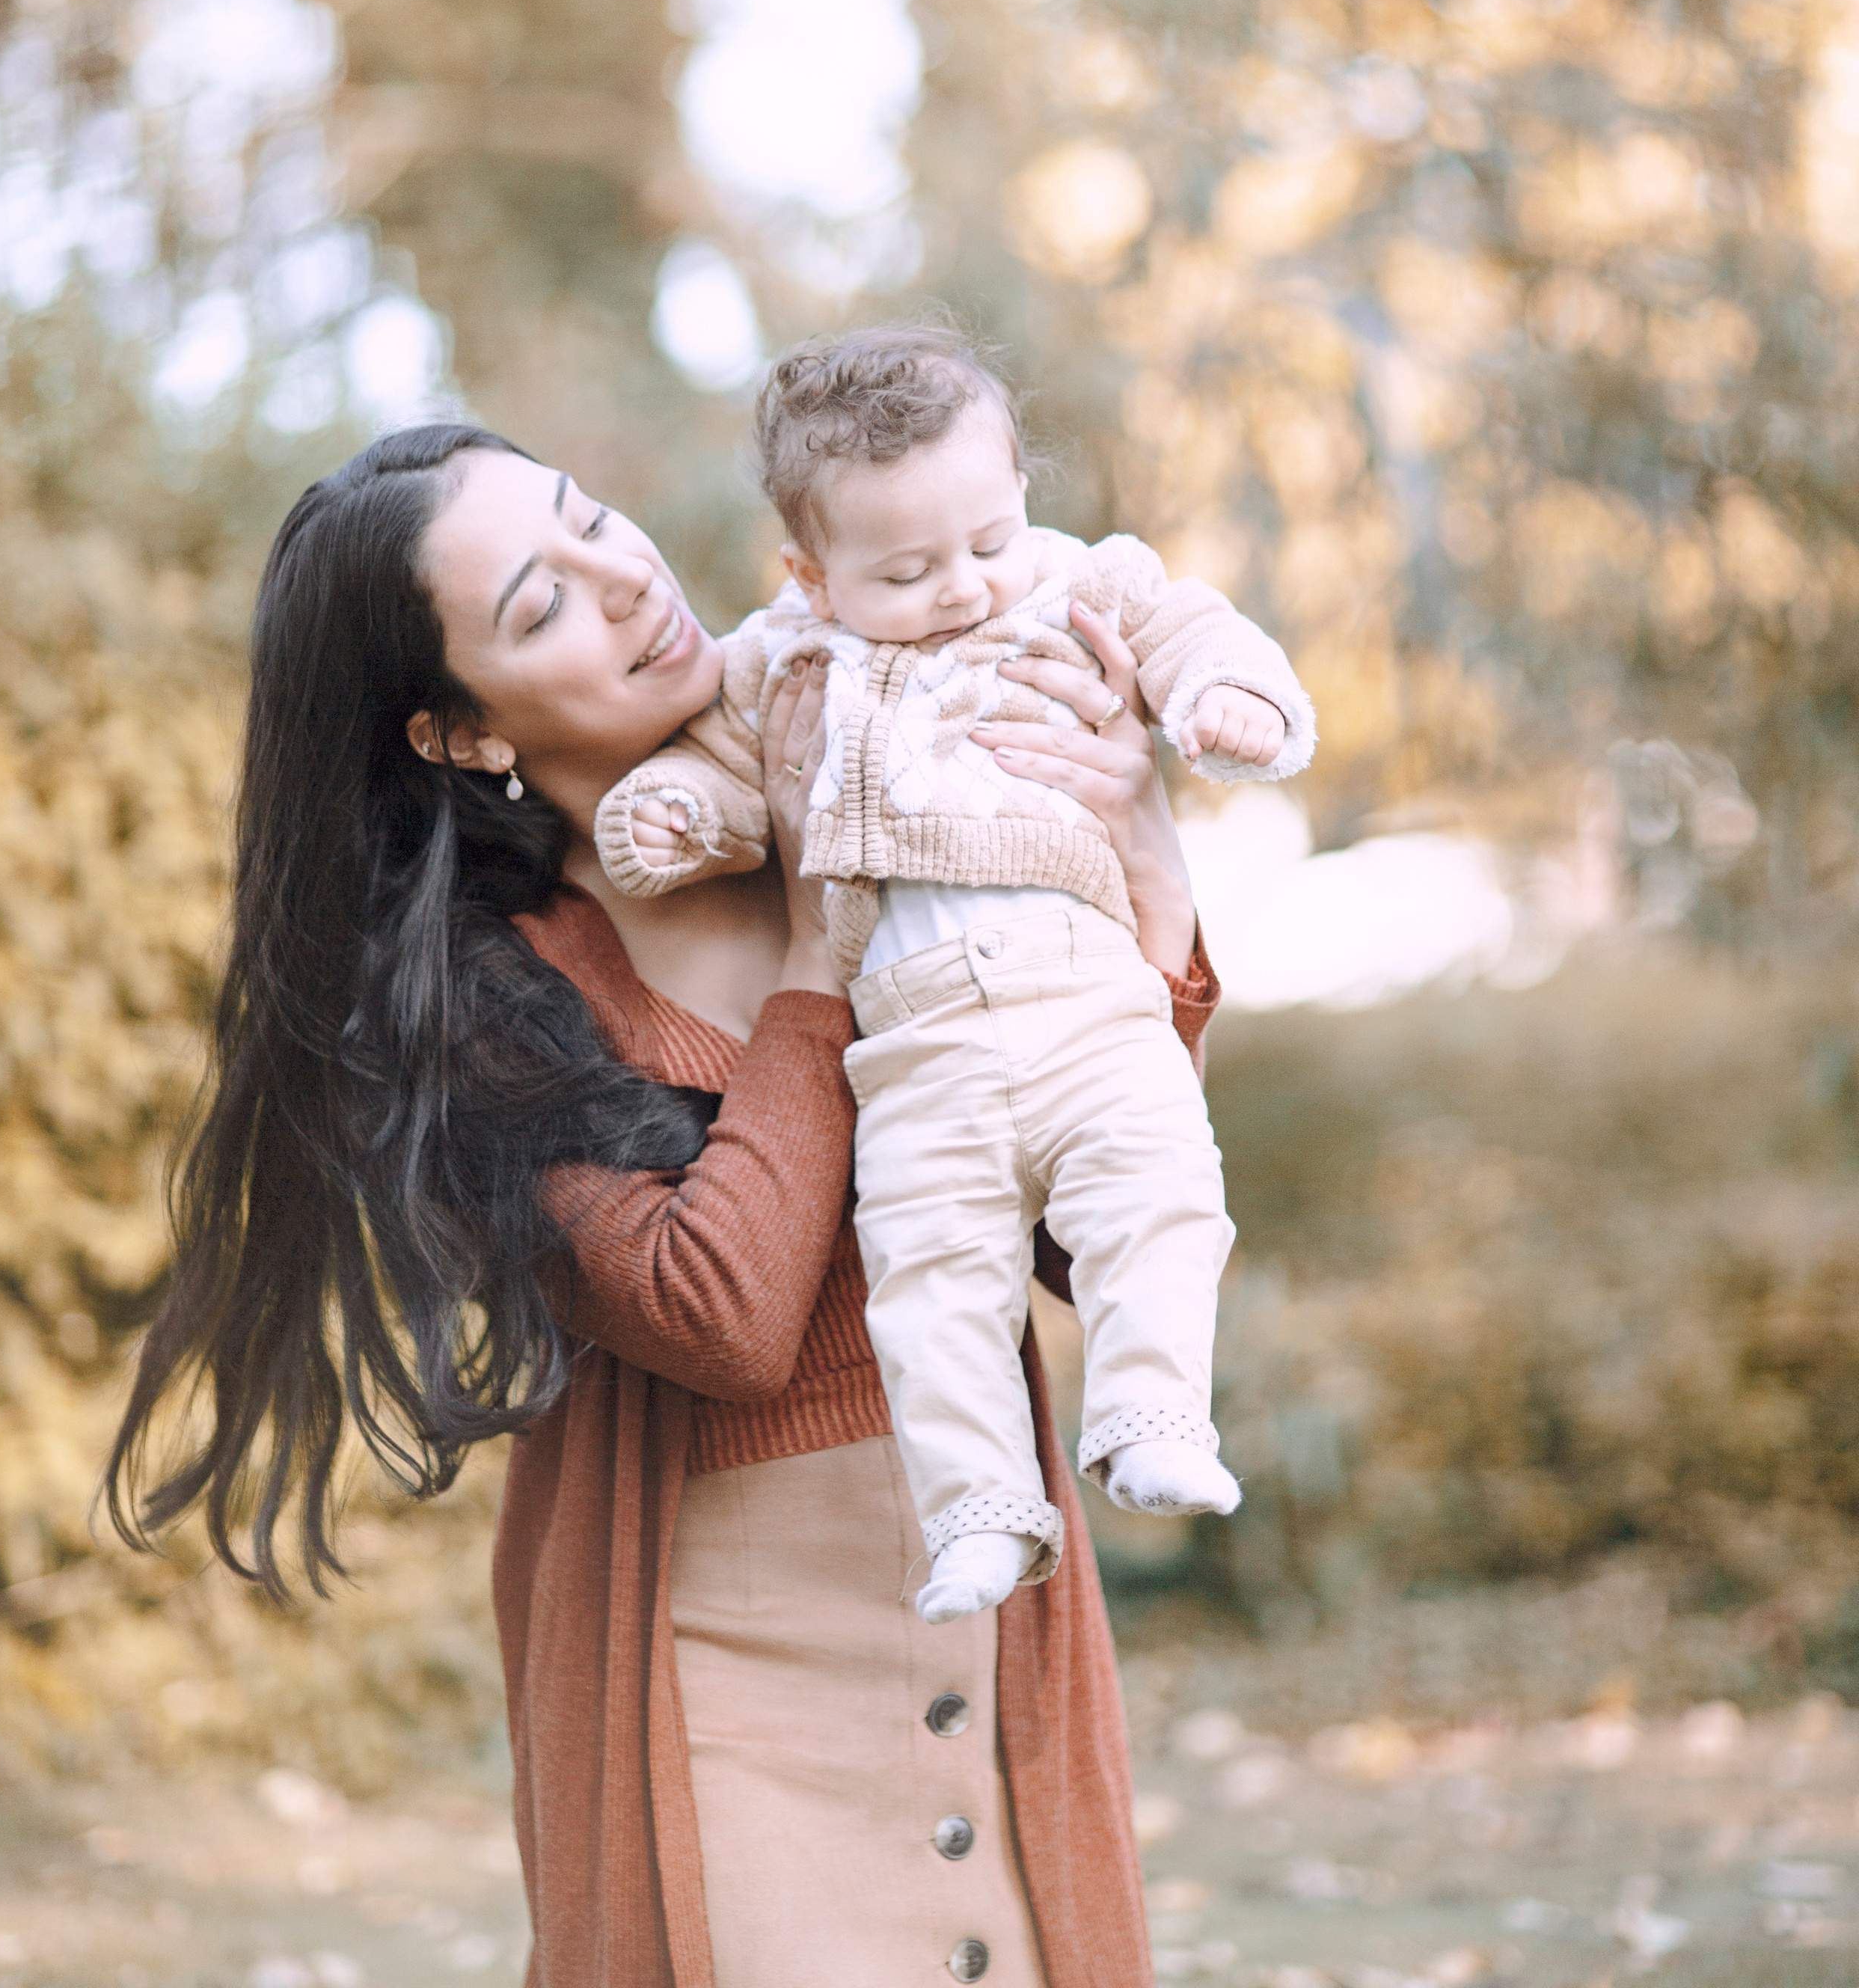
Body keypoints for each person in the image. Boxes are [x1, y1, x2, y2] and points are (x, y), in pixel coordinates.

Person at [105, 417, 1222, 1988]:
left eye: (589, 519)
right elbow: (721, 1311)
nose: (623, 578)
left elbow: (1067, 1226)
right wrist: (828, 964)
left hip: (992, 1597)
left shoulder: (897, 785)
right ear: (456, 731)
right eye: (538, 603)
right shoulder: (488, 987)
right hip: (712, 1671)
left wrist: (1143, 863)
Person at [593, 326, 1313, 1625]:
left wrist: (1229, 698)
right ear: (810, 573)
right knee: (930, 1275)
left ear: (1021, 501)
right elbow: (721, 770)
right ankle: (981, 1507)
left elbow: (1194, 626)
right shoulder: (787, 663)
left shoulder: (1072, 588)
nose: (965, 589)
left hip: (1090, 996)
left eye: (987, 542)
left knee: (1157, 1188)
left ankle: (1154, 1407)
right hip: (918, 1052)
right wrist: (676, 813)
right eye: (908, 571)